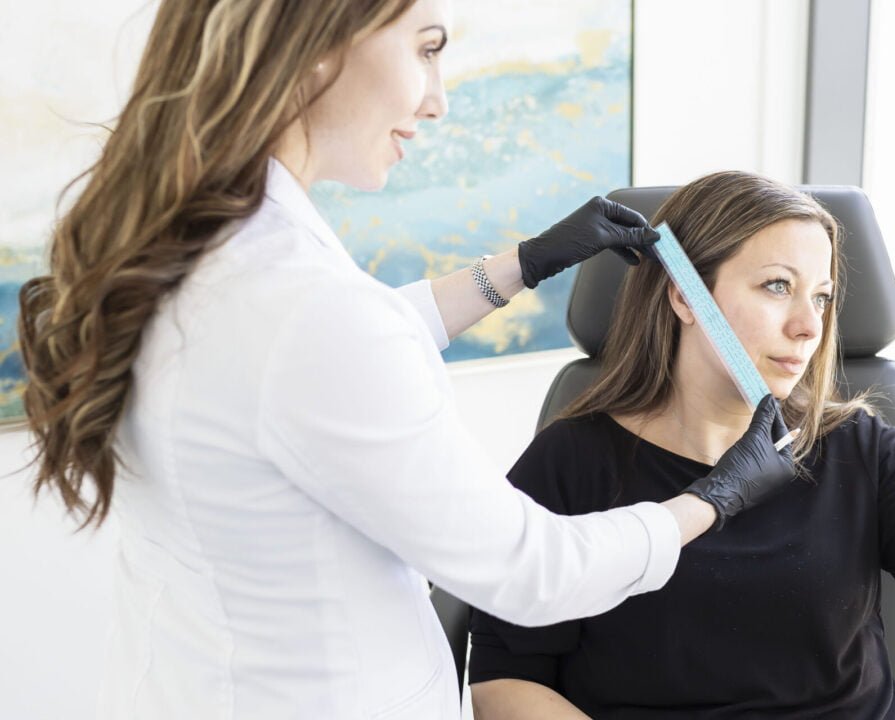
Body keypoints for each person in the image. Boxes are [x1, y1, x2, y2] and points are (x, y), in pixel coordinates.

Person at [16, 3, 796, 718]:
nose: (437, 98)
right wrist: (716, 498)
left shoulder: (199, 253)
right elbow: (533, 570)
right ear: (318, 44)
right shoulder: (301, 311)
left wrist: (524, 263)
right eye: (425, 51)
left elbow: (337, 353)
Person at [468, 170, 895, 719]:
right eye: (777, 286)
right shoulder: (571, 462)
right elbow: (505, 679)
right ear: (685, 296)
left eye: (821, 297)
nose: (808, 326)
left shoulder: (858, 447)